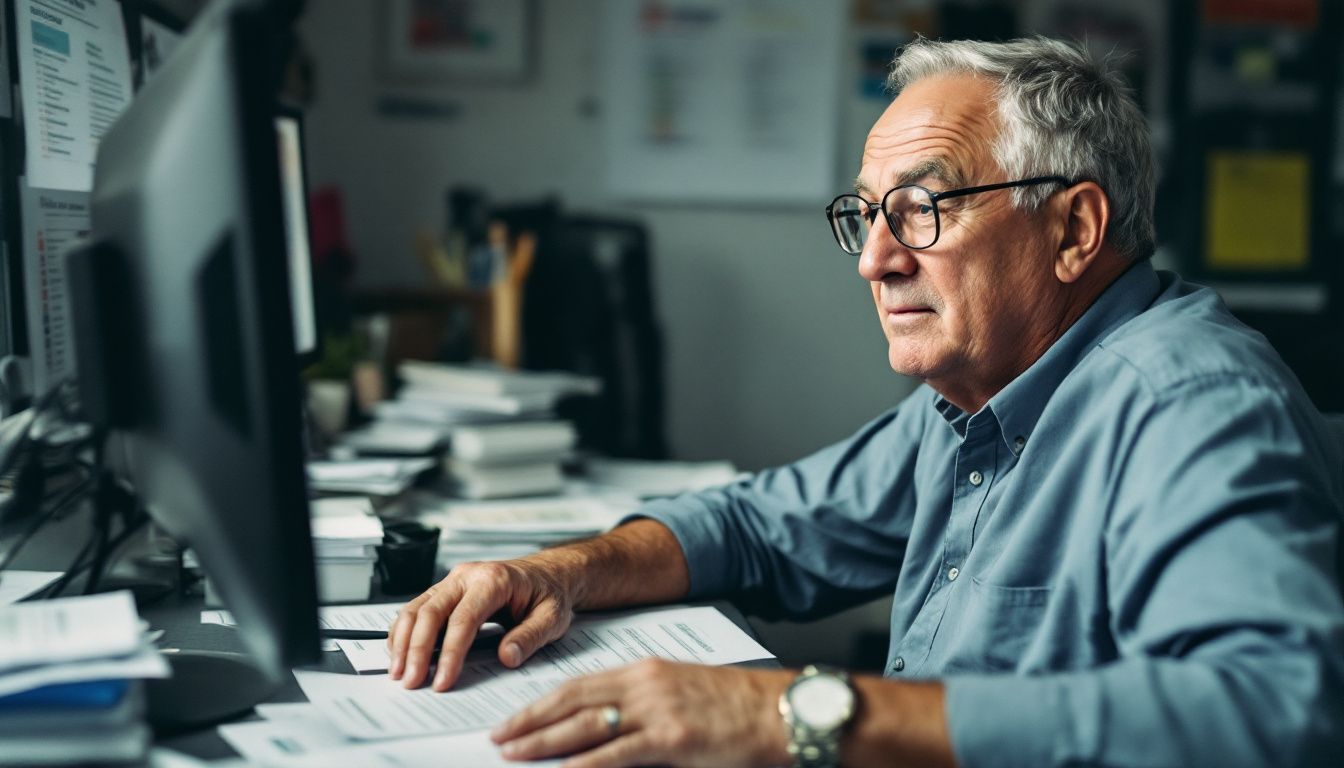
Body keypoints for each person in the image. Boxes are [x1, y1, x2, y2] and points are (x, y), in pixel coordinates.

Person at [387, 37, 1344, 767]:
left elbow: (1273, 709)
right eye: (867, 215)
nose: (878, 259)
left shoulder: (1189, 402)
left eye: (924, 208)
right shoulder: (979, 396)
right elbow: (761, 528)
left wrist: (792, 713)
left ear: (1074, 229)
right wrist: (562, 574)